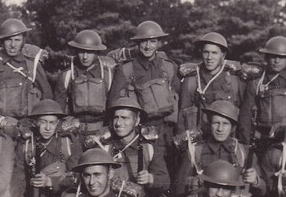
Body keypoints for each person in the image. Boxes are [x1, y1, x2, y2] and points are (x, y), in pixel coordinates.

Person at [83, 96, 170, 197]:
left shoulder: (149, 147)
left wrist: (151, 178)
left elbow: (165, 181)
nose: (118, 123)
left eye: (125, 118)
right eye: (116, 117)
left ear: (137, 121)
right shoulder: (104, 146)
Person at [108, 20, 180, 167]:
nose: (147, 46)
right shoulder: (126, 69)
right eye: (143, 42)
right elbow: (114, 104)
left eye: (152, 41)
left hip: (168, 131)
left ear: (159, 43)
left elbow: (180, 99)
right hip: (141, 132)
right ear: (137, 43)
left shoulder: (169, 67)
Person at [10, 99, 81, 197]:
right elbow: (17, 186)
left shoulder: (68, 144)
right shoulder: (26, 146)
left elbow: (76, 178)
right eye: (43, 122)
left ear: (58, 124)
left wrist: (51, 182)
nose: (48, 128)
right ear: (35, 123)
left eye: (52, 123)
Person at [173, 100, 265, 197]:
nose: (220, 129)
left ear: (232, 127)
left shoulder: (243, 152)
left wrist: (256, 181)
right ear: (209, 124)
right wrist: (194, 182)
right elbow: (179, 190)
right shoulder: (194, 151)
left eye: (225, 124)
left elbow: (263, 190)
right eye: (216, 123)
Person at [238, 36, 286, 147]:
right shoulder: (256, 83)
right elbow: (246, 115)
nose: (277, 61)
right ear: (267, 57)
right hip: (261, 140)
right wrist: (244, 143)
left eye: (281, 57)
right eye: (273, 56)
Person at [0, 18, 53, 119]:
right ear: (2, 42)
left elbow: (47, 97)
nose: (13, 45)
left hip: (27, 123)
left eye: (17, 40)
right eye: (8, 40)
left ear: (23, 41)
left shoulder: (32, 64)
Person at [177, 32, 244, 133]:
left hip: (226, 140)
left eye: (214, 53)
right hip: (199, 141)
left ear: (223, 55)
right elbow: (183, 116)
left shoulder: (234, 80)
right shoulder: (191, 80)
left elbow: (243, 114)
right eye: (206, 52)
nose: (209, 58)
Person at [53, 29, 115, 136]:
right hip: (74, 132)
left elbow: (115, 106)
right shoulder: (67, 75)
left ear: (97, 52)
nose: (85, 57)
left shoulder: (108, 75)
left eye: (90, 52)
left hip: (101, 131)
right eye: (81, 51)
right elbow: (58, 108)